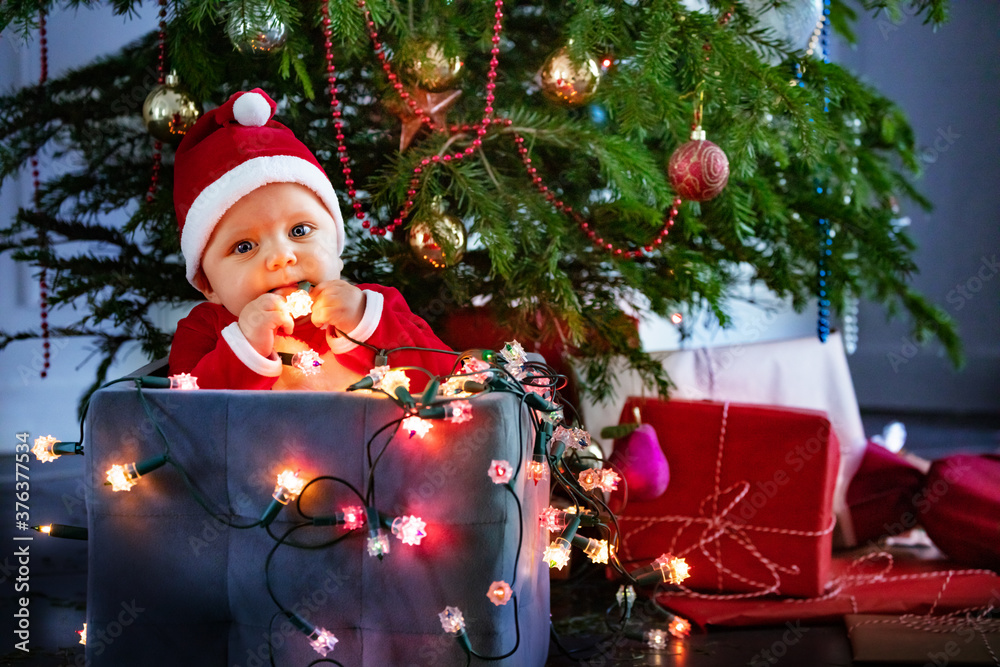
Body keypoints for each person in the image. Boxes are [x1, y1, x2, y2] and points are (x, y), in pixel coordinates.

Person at [168, 88, 453, 391]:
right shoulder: (204, 331)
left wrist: (366, 325)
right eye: (244, 246)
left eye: (300, 231)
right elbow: (184, 417)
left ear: (336, 247)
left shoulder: (375, 307)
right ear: (207, 283)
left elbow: (447, 379)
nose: (282, 256)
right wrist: (245, 347)